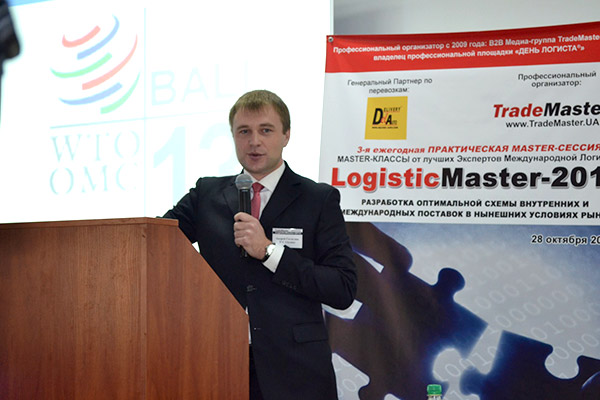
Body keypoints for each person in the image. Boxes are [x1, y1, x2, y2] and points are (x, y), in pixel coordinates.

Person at [163, 89, 357, 400]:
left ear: (286, 135)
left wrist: (269, 252)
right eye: (244, 131)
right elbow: (155, 243)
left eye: (266, 130)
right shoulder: (206, 195)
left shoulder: (317, 199)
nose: (254, 141)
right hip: (218, 366)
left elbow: (342, 288)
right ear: (233, 136)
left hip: (297, 372)